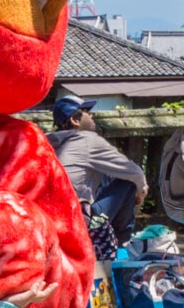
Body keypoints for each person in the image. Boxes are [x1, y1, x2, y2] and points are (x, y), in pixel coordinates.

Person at [46, 95, 148, 246]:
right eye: (87, 112)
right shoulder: (86, 141)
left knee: (105, 175)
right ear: (75, 120)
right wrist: (142, 193)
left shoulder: (46, 141)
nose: (92, 116)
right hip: (77, 220)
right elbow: (135, 172)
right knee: (128, 184)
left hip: (51, 218)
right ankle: (120, 243)